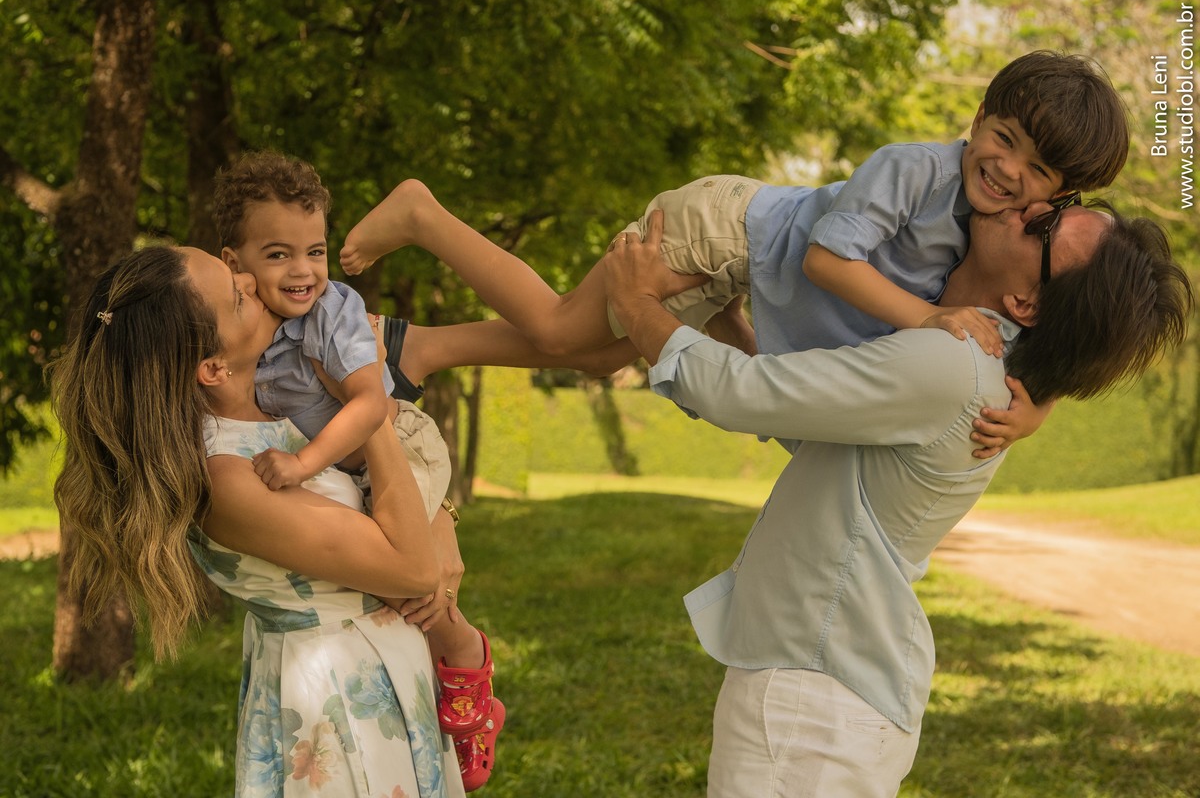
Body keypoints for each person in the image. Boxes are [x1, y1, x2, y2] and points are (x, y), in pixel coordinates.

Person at [600, 204, 1193, 797]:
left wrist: (635, 305)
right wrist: (727, 318)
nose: (1030, 204)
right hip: (831, 696)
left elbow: (743, 395)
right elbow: (811, 427)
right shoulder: (984, 370)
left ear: (1027, 305)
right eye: (1060, 205)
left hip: (812, 704)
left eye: (1044, 227)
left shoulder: (952, 364)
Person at [339, 51, 1127, 440]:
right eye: (1002, 137)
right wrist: (924, 321)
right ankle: (422, 216)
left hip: (750, 263)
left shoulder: (1005, 231)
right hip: (723, 229)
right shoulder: (913, 173)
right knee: (561, 333)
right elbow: (827, 261)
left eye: (1037, 170)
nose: (1007, 171)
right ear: (980, 114)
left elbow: (1059, 329)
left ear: (1058, 193)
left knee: (601, 353)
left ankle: (421, 349)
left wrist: (1038, 413)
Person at [50, 245, 466, 797]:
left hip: (380, 669)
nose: (251, 279)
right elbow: (412, 572)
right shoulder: (227, 479)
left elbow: (394, 507)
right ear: (213, 367)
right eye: (235, 294)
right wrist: (367, 392)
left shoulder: (276, 411)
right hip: (338, 705)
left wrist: (442, 518)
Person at [212, 151, 505, 791]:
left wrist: (302, 464)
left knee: (413, 575)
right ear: (234, 266)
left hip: (397, 437)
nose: (302, 271)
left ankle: (462, 648)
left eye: (315, 251)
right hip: (353, 469)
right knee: (398, 572)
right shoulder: (243, 339)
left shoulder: (332, 312)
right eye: (278, 254)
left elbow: (371, 404)